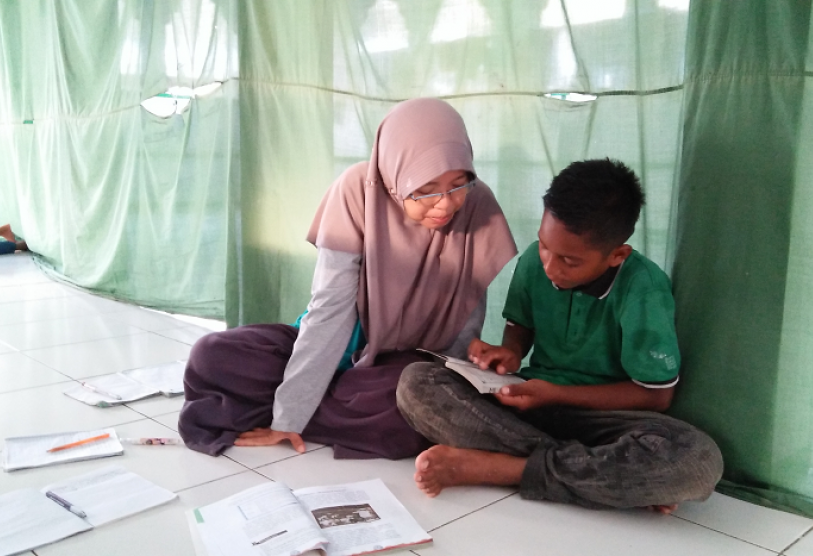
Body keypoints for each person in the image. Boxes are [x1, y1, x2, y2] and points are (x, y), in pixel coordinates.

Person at [179, 98, 517, 459]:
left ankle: (316, 403)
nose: (446, 204)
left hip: (405, 362)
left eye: (458, 184)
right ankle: (330, 405)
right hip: (343, 341)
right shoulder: (358, 191)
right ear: (395, 174)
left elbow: (461, 324)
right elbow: (330, 312)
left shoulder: (478, 204)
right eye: (426, 188)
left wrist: (463, 368)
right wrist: (289, 415)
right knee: (212, 356)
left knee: (409, 402)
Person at [397, 158, 723, 512]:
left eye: (569, 261)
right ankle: (601, 477)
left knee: (697, 460)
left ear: (617, 255)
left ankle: (502, 467)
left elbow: (656, 398)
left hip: (603, 420)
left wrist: (556, 393)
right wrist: (509, 353)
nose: (550, 266)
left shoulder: (644, 289)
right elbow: (520, 328)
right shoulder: (533, 263)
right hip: (528, 410)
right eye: (544, 246)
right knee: (416, 382)